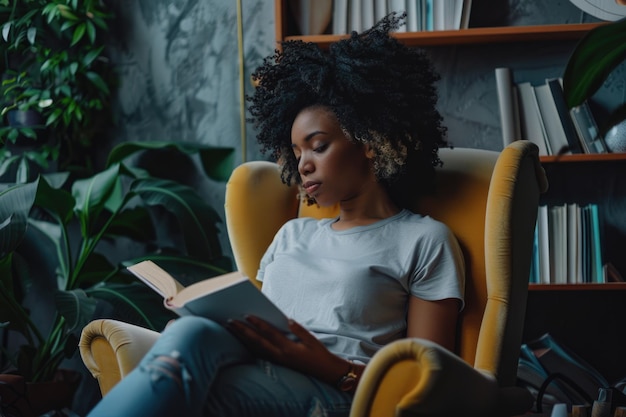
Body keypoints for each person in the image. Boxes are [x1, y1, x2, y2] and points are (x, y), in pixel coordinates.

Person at [86, 12, 465, 417]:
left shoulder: (423, 240)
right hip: (259, 370)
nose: (302, 165)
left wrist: (322, 363)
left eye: (317, 146)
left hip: (341, 391)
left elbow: (428, 382)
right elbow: (258, 324)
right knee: (192, 330)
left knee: (186, 395)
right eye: (296, 153)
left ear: (369, 142)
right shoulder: (293, 235)